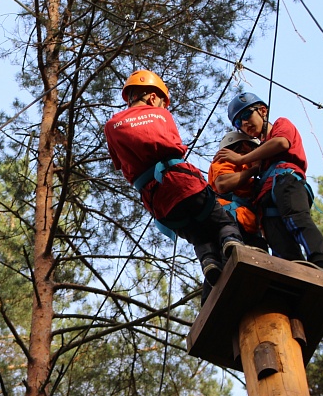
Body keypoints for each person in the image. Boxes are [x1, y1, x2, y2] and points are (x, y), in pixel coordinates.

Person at [104, 70, 244, 289]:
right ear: (152, 97)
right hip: (181, 182)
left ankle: (209, 263)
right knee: (222, 221)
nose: (162, 106)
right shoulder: (162, 115)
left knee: (198, 234)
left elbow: (120, 164)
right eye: (161, 101)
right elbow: (176, 146)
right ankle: (232, 243)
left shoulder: (111, 126)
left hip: (157, 200)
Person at [214, 93, 323, 270]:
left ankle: (320, 262)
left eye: (246, 115)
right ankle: (292, 275)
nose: (244, 124)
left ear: (262, 111)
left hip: (285, 180)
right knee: (278, 241)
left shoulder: (280, 125)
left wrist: (240, 160)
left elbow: (281, 143)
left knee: (297, 219)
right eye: (239, 123)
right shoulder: (258, 153)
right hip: (265, 197)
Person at [208, 131, 267, 251]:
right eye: (254, 148)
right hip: (231, 222)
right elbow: (223, 184)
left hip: (248, 227)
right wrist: (253, 169)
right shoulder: (226, 159)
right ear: (245, 145)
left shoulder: (249, 170)